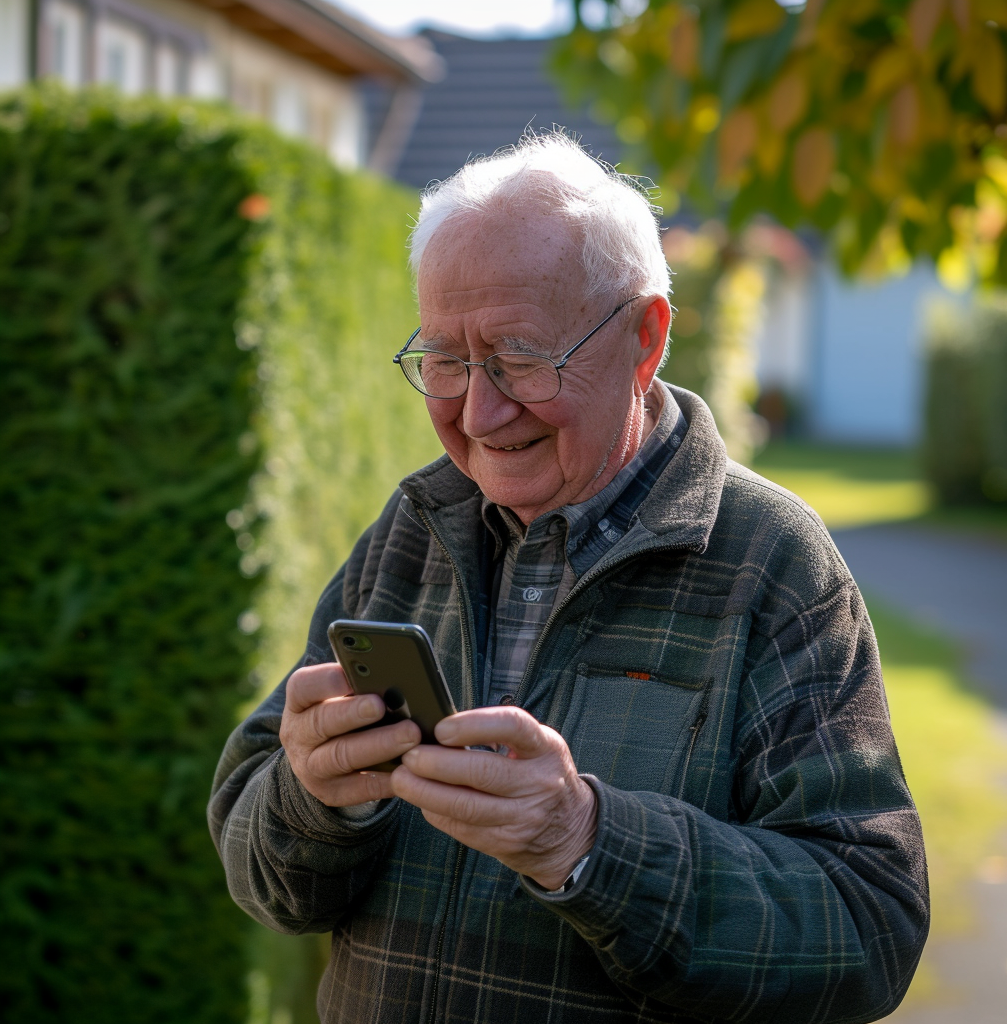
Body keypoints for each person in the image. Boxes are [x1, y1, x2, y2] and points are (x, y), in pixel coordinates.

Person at [209, 133, 928, 1024]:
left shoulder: (771, 560)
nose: (479, 411)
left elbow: (868, 930)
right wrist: (312, 798)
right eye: (444, 360)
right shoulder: (413, 529)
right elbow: (263, 875)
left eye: (517, 357)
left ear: (646, 339)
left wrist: (585, 841)